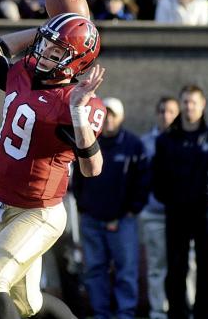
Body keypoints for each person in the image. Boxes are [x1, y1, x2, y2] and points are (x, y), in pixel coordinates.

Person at [0, 12, 106, 319]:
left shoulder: (74, 103)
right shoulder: (22, 72)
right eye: (45, 44)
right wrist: (44, 30)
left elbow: (93, 168)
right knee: (28, 304)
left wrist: (77, 113)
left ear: (77, 60)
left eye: (57, 50)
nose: (44, 52)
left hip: (37, 212)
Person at [151, 84, 208, 319]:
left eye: (194, 102)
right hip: (176, 210)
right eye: (186, 102)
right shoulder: (167, 138)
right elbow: (156, 175)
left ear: (203, 105)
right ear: (181, 104)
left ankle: (204, 313)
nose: (189, 106)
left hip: (205, 211)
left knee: (206, 266)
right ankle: (177, 313)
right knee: (176, 266)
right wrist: (167, 198)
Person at [72, 97, 149, 319]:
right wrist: (83, 207)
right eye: (104, 114)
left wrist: (131, 211)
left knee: (126, 271)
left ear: (121, 117)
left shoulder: (133, 145)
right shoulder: (86, 142)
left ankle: (125, 313)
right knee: (95, 270)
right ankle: (101, 314)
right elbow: (77, 180)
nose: (108, 119)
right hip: (92, 221)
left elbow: (143, 181)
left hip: (124, 220)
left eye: (113, 114)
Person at [139, 96, 181, 319]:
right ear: (157, 114)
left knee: (187, 264)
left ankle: (186, 308)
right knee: (157, 266)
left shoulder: (185, 140)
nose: (167, 116)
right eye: (163, 111)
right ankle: (158, 312)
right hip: (154, 213)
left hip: (182, 216)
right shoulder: (146, 142)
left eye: (172, 111)